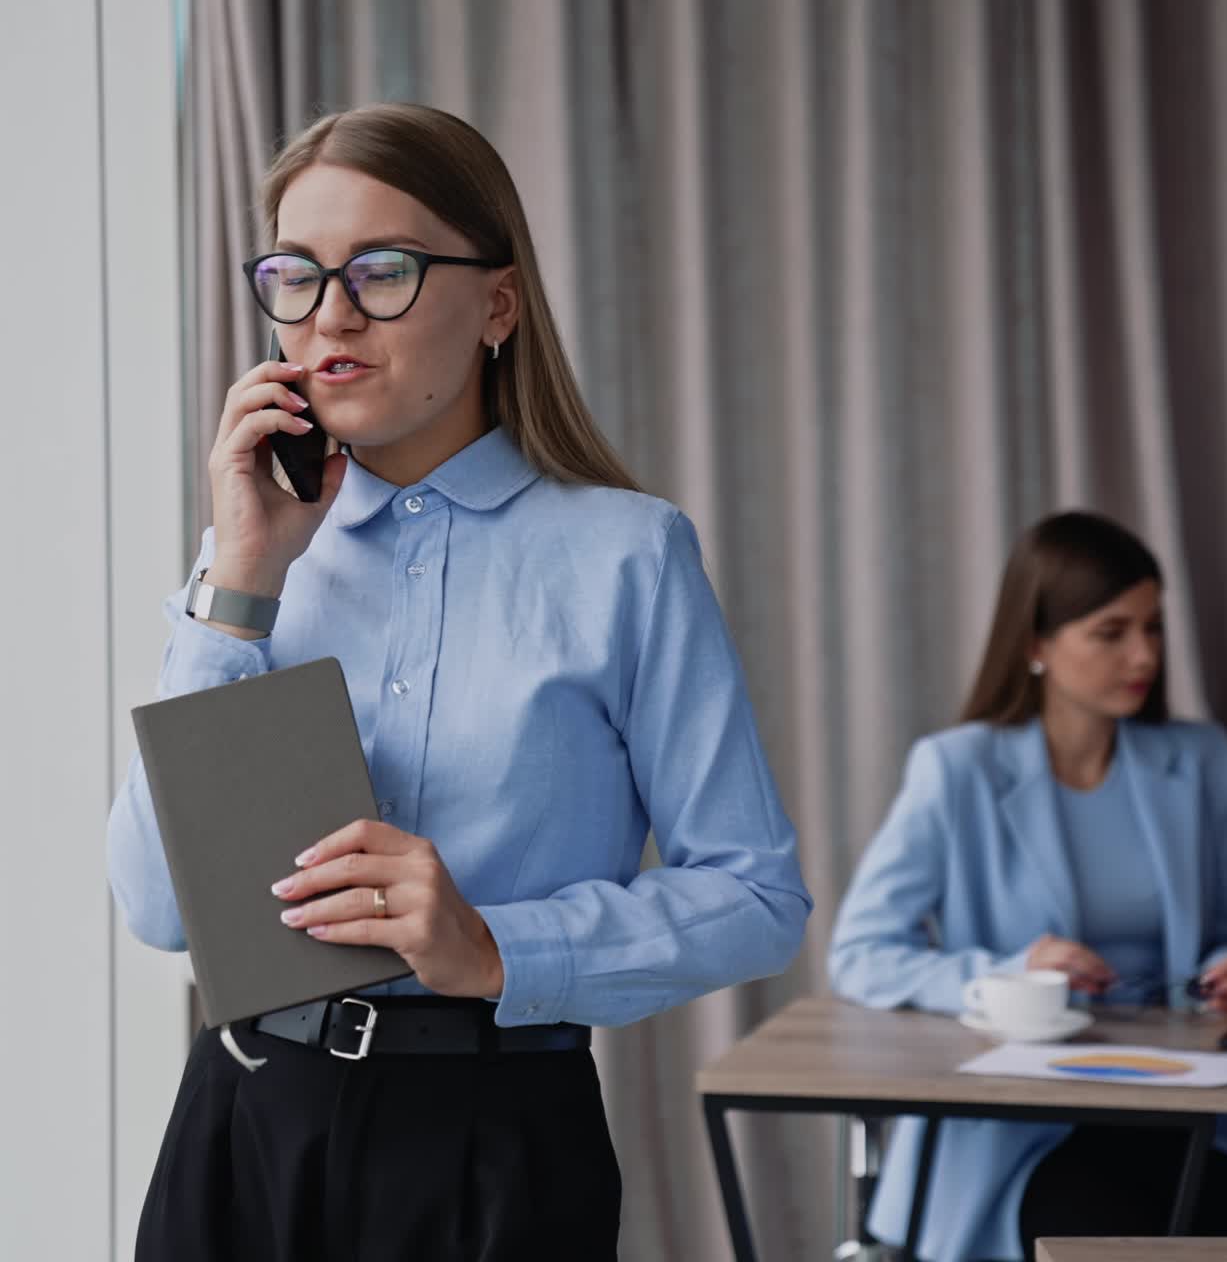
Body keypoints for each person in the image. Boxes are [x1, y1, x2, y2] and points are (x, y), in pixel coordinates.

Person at [108, 102, 811, 1261]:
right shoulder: (251, 555)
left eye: (381, 270)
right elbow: (158, 903)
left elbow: (754, 896)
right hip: (244, 1126)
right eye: (296, 274)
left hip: (496, 1147)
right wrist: (237, 578)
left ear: (497, 302)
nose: (329, 313)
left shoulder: (625, 555)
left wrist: (497, 946)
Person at [827, 510, 1227, 1262]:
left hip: (1189, 1103)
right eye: (1112, 632)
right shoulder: (957, 770)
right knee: (1092, 1216)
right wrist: (1008, 976)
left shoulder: (1198, 761)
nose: (1145, 654)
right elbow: (861, 953)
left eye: (1154, 627)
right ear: (1036, 643)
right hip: (1021, 1124)